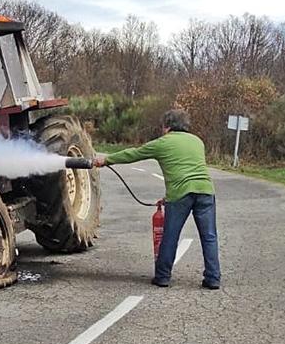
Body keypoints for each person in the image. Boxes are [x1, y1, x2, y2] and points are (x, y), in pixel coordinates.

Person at [94, 109, 221, 289]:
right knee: (209, 236)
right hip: (206, 191)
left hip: (180, 195)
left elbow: (133, 154)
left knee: (170, 235)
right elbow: (189, 170)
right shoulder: (197, 141)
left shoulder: (162, 143)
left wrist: (106, 160)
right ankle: (213, 278)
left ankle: (162, 277)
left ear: (167, 126)